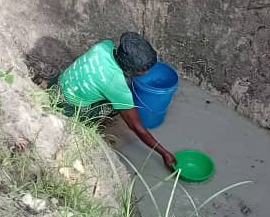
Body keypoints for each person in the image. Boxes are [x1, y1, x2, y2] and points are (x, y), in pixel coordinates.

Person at [50, 32, 177, 170]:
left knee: (114, 95)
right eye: (144, 70)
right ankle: (86, 125)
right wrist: (164, 153)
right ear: (130, 70)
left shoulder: (104, 46)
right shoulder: (116, 86)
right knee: (115, 107)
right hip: (67, 107)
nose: (147, 73)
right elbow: (137, 127)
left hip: (57, 85)